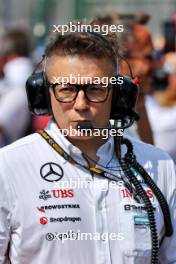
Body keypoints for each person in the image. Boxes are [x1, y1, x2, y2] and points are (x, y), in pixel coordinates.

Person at [0, 21, 176, 264]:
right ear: (43, 94)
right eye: (66, 89)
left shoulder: (159, 165)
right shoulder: (8, 167)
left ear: (118, 95)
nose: (81, 104)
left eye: (95, 88)